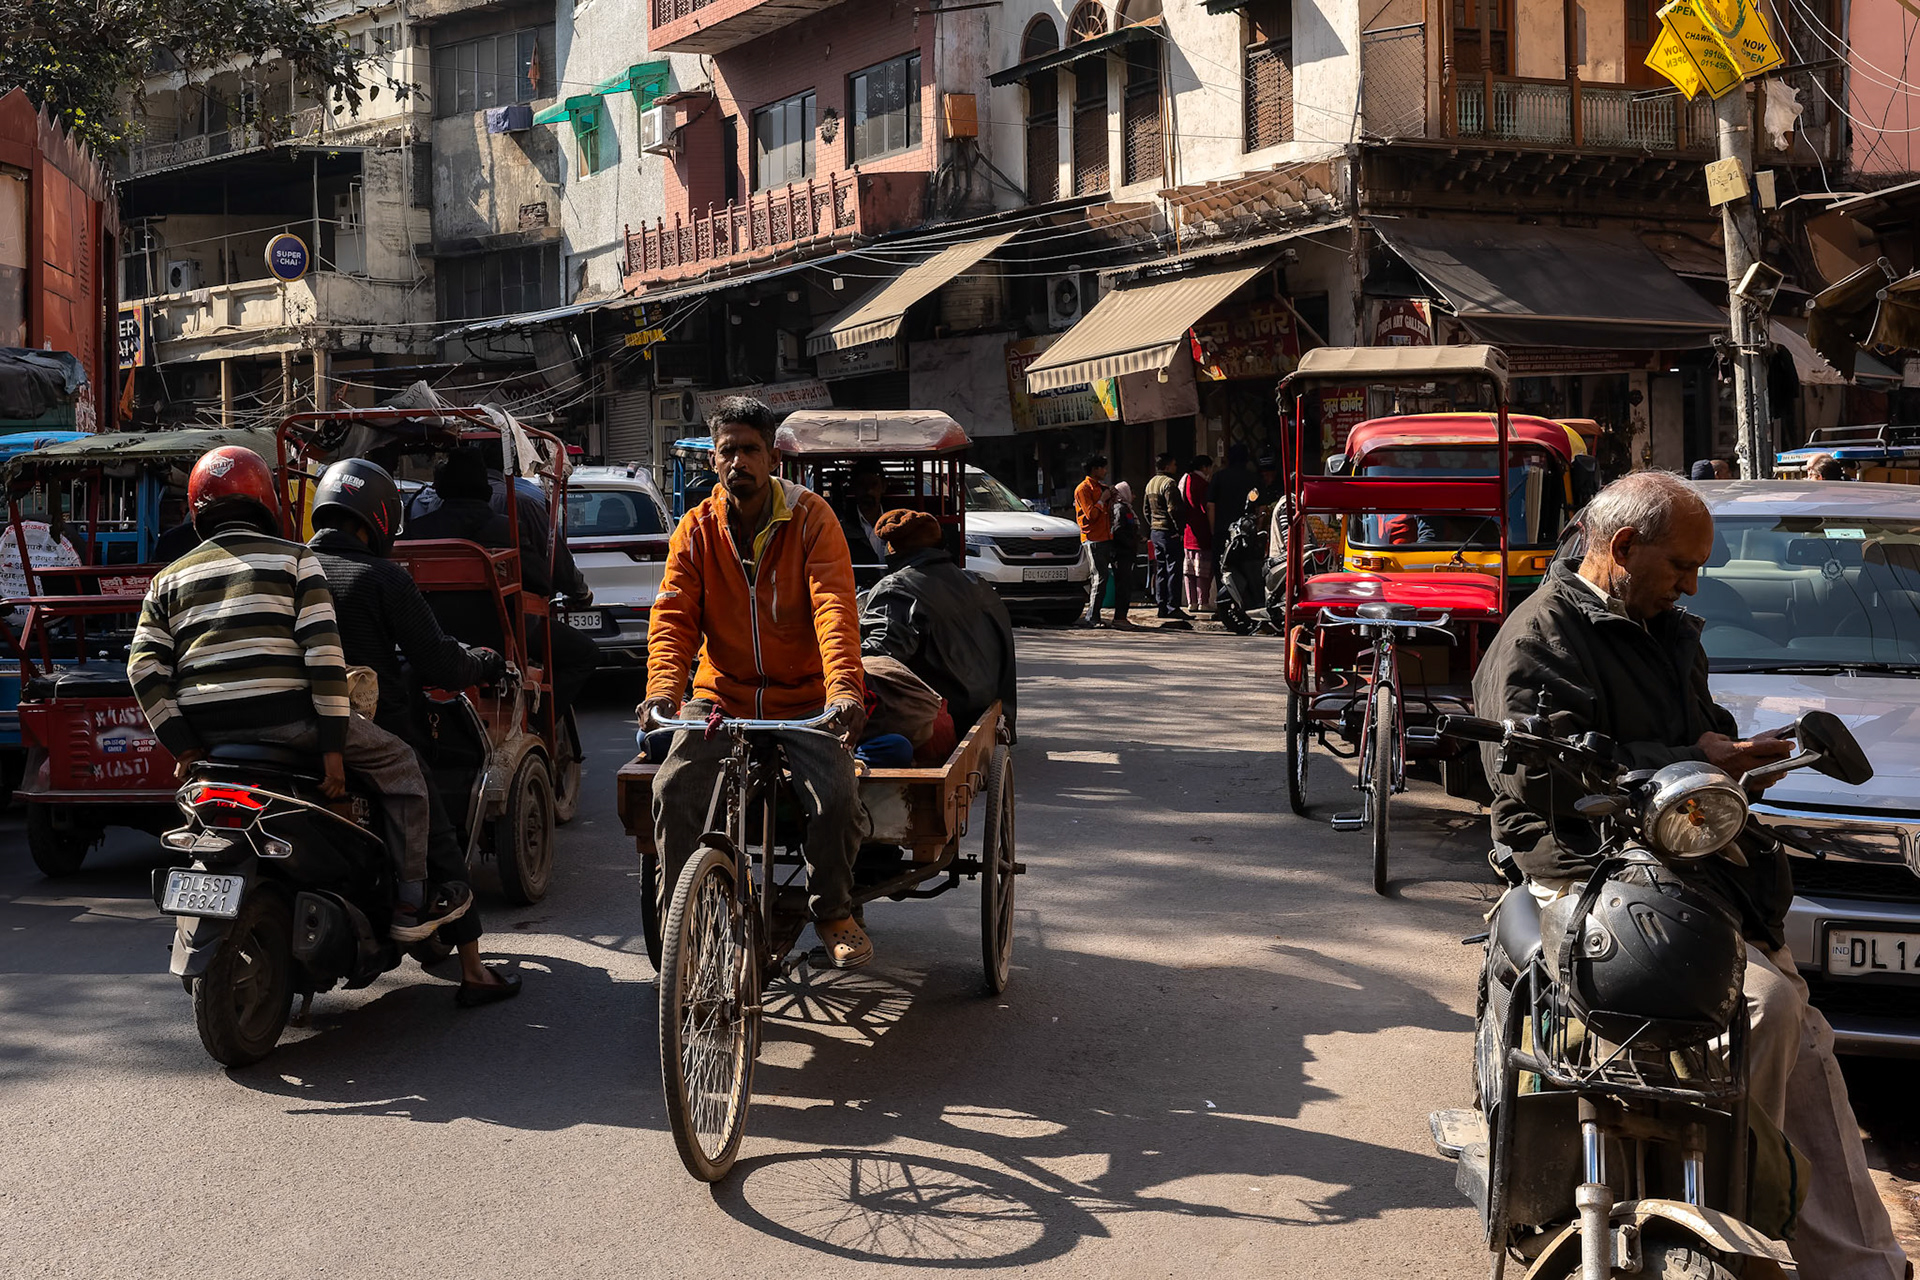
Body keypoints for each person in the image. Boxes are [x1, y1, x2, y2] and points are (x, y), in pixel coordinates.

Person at [1473, 470, 1910, 1280]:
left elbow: (1699, 733)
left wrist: (1735, 761)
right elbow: (1541, 779)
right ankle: (1735, 1220)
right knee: (1766, 1008)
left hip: (1693, 866)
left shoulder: (1669, 627)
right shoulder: (1539, 639)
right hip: (1586, 869)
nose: (1692, 583)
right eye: (1682, 566)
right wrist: (1687, 762)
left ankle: (1864, 1268)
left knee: (1805, 1041)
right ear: (1625, 547)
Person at [127, 447, 465, 943]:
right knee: (403, 767)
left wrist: (184, 744)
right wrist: (332, 750)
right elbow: (324, 658)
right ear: (266, 501)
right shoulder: (297, 561)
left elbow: (142, 668)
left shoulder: (167, 579)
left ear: (197, 510)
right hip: (292, 724)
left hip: (209, 737)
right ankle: (411, 900)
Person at [638, 396, 872, 968]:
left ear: (772, 458)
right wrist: (662, 691)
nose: (738, 461)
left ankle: (834, 912)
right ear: (714, 461)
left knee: (839, 794)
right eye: (727, 451)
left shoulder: (812, 518)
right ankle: (682, 926)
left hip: (804, 699)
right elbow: (672, 618)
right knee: (672, 789)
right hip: (723, 696)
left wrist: (843, 689)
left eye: (749, 450)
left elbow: (834, 610)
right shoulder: (695, 530)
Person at [306, 458, 520, 1007]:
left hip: (294, 730)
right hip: (371, 731)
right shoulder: (383, 577)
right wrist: (485, 661)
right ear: (378, 518)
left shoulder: (290, 570)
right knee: (433, 819)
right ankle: (473, 970)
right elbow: (440, 662)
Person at [403, 449, 597, 726]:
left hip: (430, 635)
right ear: (483, 487)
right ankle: (537, 722)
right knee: (585, 652)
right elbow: (542, 583)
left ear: (442, 487)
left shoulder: (418, 529)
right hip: (502, 635)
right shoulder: (506, 529)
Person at [861, 508, 1017, 736]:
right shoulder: (977, 583)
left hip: (942, 715)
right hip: (983, 706)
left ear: (892, 551)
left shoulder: (896, 588)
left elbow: (880, 657)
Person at [1143, 452, 1190, 621]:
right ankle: (1173, 606)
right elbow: (1174, 509)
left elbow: (1146, 510)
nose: (1176, 467)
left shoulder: (1151, 483)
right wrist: (1179, 529)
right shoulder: (1169, 483)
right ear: (1168, 466)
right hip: (1169, 532)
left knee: (1160, 569)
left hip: (1156, 532)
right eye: (1174, 464)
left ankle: (1161, 606)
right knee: (1174, 570)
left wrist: (1153, 525)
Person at [1074, 455, 1114, 629]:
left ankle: (1095, 614)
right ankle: (1092, 615)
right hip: (1092, 538)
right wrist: (1102, 500)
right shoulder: (1083, 489)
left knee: (1103, 577)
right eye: (1103, 468)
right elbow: (1091, 515)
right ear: (1095, 469)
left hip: (1105, 537)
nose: (1105, 471)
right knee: (1099, 577)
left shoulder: (1100, 487)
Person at [1209, 444, 1257, 573]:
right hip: (1246, 534)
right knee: (1245, 572)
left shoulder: (1218, 477)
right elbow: (1261, 506)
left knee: (1221, 569)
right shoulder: (1253, 478)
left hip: (1222, 531)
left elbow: (1210, 505)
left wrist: (1213, 530)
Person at [1178, 455, 1216, 617]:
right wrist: (1212, 529)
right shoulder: (1203, 484)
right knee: (1203, 570)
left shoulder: (1185, 480)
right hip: (1202, 532)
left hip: (1188, 531)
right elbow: (1207, 508)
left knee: (1189, 570)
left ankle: (1191, 601)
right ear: (1205, 467)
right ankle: (1203, 602)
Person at [838, 458, 889, 567]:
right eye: (862, 484)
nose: (868, 491)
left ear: (883, 487)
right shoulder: (841, 526)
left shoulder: (897, 521)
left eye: (873, 484)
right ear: (853, 488)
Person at [1106, 480, 1140, 630]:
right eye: (1130, 491)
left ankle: (1122, 617)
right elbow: (1119, 530)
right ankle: (1120, 618)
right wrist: (1130, 543)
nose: (1134, 495)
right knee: (1123, 586)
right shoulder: (1121, 508)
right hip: (1122, 553)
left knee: (1125, 585)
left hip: (1125, 552)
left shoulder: (1126, 508)